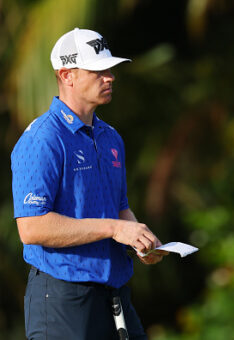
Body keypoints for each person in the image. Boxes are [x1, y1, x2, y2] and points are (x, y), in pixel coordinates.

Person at [11, 27, 168, 340]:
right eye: (98, 70)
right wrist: (113, 229)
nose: (109, 77)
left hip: (114, 293)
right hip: (62, 297)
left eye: (109, 69)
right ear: (67, 75)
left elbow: (120, 208)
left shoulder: (111, 137)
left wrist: (140, 241)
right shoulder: (42, 139)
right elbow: (31, 227)